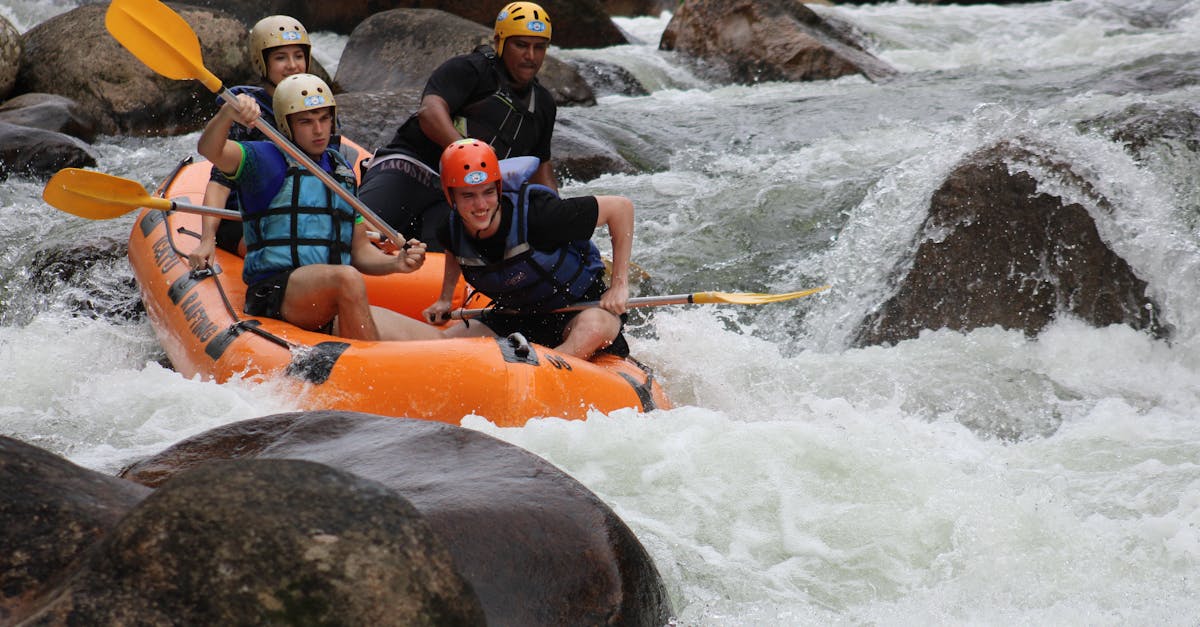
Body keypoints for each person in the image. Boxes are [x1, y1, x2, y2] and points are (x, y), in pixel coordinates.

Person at [197, 73, 441, 342]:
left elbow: (360, 250)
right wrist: (226, 115)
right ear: (286, 124)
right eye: (306, 122)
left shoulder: (341, 171)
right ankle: (368, 363)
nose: (319, 130)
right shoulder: (264, 158)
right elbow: (210, 150)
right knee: (347, 279)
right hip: (276, 292)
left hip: (327, 299)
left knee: (435, 340)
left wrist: (396, 263)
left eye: (324, 119)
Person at [358, 1, 559, 249]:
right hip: (412, 168)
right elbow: (430, 112)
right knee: (360, 231)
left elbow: (541, 170)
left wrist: (557, 217)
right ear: (500, 41)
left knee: (450, 250)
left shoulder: (543, 105)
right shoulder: (469, 69)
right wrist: (468, 152)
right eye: (521, 45)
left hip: (460, 194)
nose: (530, 56)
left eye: (539, 47)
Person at [422, 139, 633, 360]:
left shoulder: (539, 215)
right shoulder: (449, 229)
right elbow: (455, 249)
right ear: (450, 196)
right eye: (468, 195)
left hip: (579, 309)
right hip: (514, 316)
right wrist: (445, 299)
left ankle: (547, 365)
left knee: (593, 328)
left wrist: (619, 285)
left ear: (498, 188)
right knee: (443, 347)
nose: (481, 205)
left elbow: (620, 208)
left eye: (488, 192)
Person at [187, 15, 314, 271]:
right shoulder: (245, 110)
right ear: (262, 62)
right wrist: (207, 238)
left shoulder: (317, 108)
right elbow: (220, 181)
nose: (292, 65)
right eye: (281, 58)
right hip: (244, 219)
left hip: (297, 216)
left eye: (298, 56)